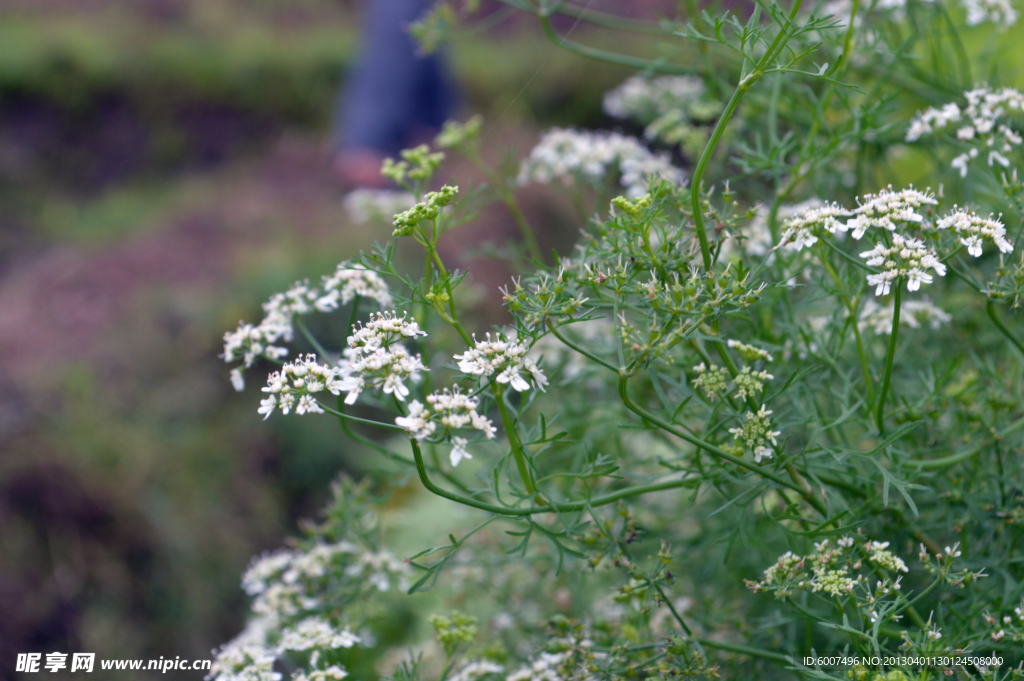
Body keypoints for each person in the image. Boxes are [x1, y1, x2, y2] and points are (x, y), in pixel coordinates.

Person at [334, 0, 457, 188]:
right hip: (392, 153)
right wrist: (369, 139)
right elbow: (397, 36)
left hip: (415, 142)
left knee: (427, 21)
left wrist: (432, 116)